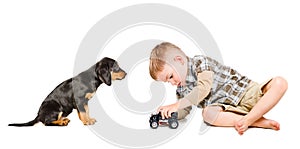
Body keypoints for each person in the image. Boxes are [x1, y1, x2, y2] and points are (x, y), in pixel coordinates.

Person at [149, 42, 288, 135]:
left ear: (179, 60)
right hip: (228, 110)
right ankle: (254, 121)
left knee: (279, 83)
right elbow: (184, 111)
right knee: (207, 114)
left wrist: (177, 104)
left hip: (244, 93)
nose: (172, 82)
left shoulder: (200, 62)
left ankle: (250, 119)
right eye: (167, 81)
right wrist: (169, 114)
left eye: (171, 76)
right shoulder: (181, 90)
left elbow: (203, 88)